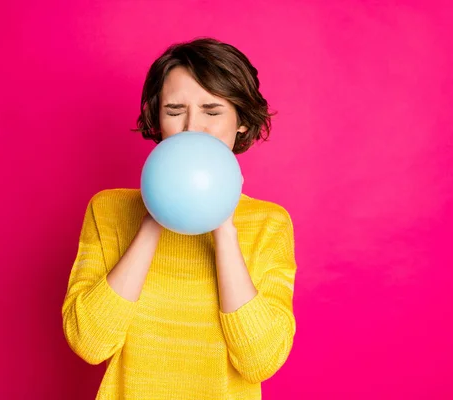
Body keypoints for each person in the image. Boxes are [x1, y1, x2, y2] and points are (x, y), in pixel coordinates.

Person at [62, 37, 298, 400]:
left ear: (241, 123)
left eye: (212, 111)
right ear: (157, 121)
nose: (192, 128)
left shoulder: (269, 223)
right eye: (175, 111)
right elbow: (90, 343)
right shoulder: (107, 210)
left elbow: (259, 361)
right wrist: (156, 215)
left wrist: (222, 225)